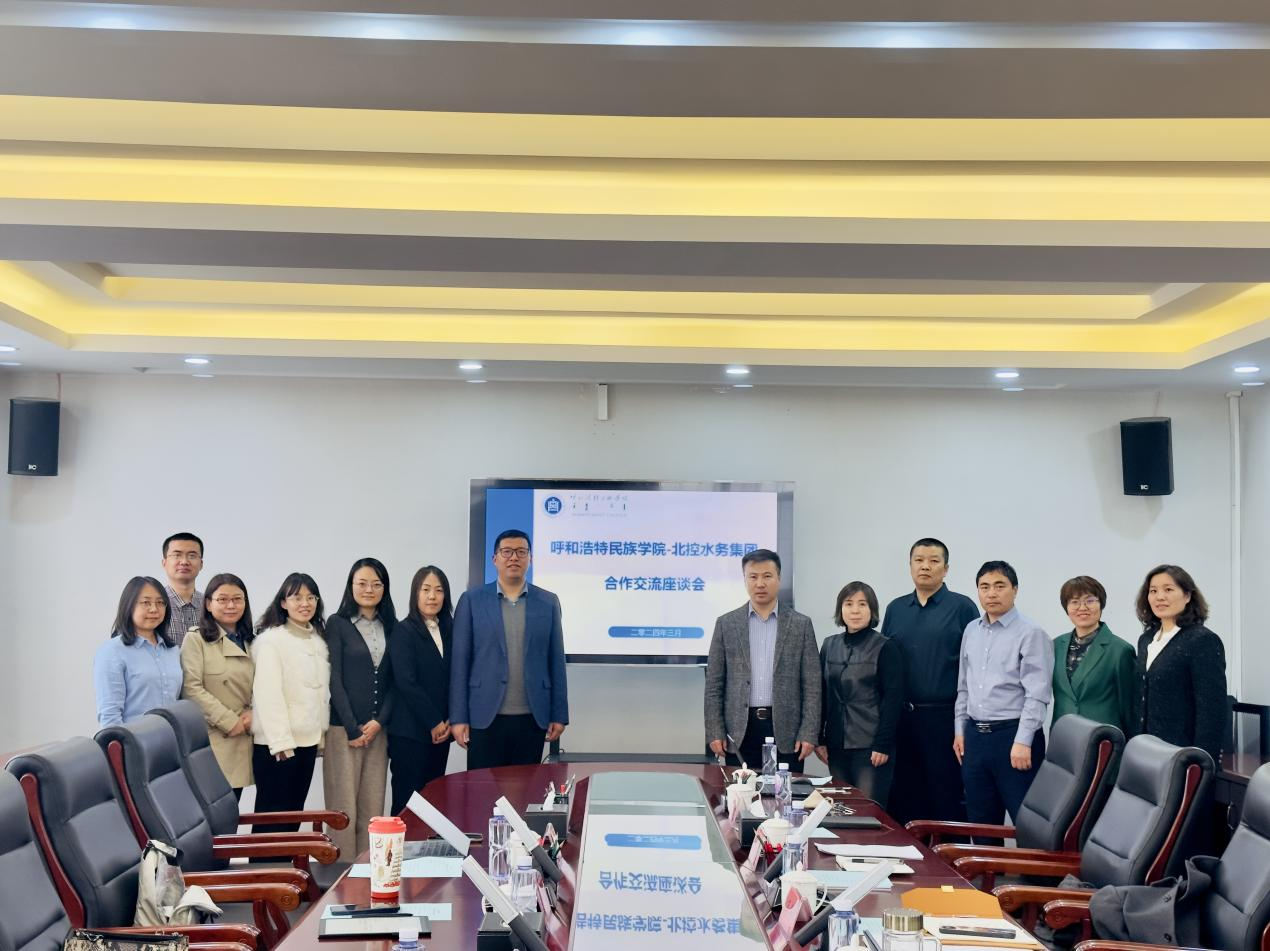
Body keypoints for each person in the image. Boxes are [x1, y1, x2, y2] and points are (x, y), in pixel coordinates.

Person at [880, 538, 980, 824]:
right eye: (919, 560)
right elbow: (886, 665)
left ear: (946, 569)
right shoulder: (896, 608)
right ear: (910, 566)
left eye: (934, 561)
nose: (925, 566)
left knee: (945, 796)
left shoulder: (962, 607)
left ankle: (947, 852)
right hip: (902, 718)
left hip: (944, 719)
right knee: (904, 798)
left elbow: (975, 667)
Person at [450, 530, 569, 769]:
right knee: (482, 788)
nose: (514, 557)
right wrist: (458, 717)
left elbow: (556, 661)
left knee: (526, 787)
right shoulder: (472, 600)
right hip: (484, 715)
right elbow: (460, 663)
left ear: (530, 559)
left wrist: (559, 714)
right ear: (495, 559)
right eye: (507, 552)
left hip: (532, 716)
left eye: (521, 552)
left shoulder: (548, 602)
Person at [954, 561, 1054, 831]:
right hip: (975, 737)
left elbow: (1037, 693)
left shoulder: (1031, 633)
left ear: (1015, 590)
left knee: (1026, 822)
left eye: (1000, 586)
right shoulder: (971, 630)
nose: (991, 593)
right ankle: (985, 861)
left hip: (1013, 737)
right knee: (980, 820)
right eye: (984, 587)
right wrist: (960, 730)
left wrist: (1023, 740)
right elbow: (963, 686)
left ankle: (1034, 866)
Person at [705, 548, 821, 770]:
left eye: (767, 576)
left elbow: (812, 685)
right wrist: (714, 730)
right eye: (753, 577)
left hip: (787, 731)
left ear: (779, 578)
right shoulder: (726, 624)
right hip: (739, 731)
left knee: (784, 791)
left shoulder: (801, 625)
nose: (760, 583)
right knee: (742, 791)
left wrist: (809, 732)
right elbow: (714, 684)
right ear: (745, 580)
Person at [324, 558, 396, 856]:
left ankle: (369, 872)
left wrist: (379, 722)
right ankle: (340, 876)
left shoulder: (392, 626)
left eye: (376, 584)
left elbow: (395, 681)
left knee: (372, 808)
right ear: (351, 586)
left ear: (384, 588)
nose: (369, 589)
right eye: (362, 583)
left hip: (378, 731)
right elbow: (335, 679)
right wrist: (353, 728)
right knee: (343, 811)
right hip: (344, 730)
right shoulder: (337, 624)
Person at [251, 573, 330, 835]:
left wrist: (319, 736)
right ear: (283, 603)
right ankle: (263, 863)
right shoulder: (272, 641)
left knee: (293, 817)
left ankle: (286, 863)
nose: (305, 603)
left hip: (306, 743)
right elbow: (268, 696)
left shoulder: (317, 641)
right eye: (297, 597)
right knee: (272, 820)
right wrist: (281, 743)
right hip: (278, 747)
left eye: (311, 597)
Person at [815, 582, 903, 805]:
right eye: (849, 604)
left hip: (871, 746)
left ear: (872, 609)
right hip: (836, 745)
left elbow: (893, 699)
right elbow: (821, 694)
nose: (855, 610)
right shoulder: (829, 645)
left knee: (867, 810)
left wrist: (883, 744)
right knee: (840, 808)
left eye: (862, 604)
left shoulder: (885, 646)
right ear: (840, 609)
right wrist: (820, 739)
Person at [1134, 565, 1227, 763]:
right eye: (1153, 591)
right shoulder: (1146, 640)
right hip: (1146, 751)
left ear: (1187, 596)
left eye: (1168, 589)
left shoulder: (1202, 640)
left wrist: (1201, 762)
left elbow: (1212, 710)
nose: (1160, 597)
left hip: (1181, 755)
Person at [180, 572, 255, 796]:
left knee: (234, 810)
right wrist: (229, 721)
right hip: (215, 739)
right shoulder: (196, 639)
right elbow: (190, 688)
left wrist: (255, 713)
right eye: (222, 599)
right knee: (212, 810)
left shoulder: (252, 641)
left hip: (247, 738)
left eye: (237, 599)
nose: (231, 605)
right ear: (208, 604)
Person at [387, 565, 453, 814]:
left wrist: (449, 719)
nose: (432, 596)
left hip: (442, 733)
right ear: (415, 593)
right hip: (410, 733)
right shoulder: (403, 630)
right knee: (407, 803)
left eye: (438, 590)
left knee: (434, 803)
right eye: (426, 590)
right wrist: (433, 721)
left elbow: (455, 678)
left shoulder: (450, 630)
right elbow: (406, 682)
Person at [1051, 575, 1136, 736]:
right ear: (1066, 607)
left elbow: (1129, 708)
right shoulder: (1055, 646)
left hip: (1103, 739)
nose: (1082, 607)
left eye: (1090, 601)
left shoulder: (1120, 650)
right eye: (1074, 602)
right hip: (1063, 736)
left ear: (1101, 604)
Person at [94, 576, 183, 726]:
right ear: (129, 606)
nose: (154, 609)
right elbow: (110, 715)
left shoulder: (172, 650)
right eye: (146, 602)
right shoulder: (112, 652)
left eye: (160, 603)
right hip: (134, 738)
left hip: (173, 738)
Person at [160, 532, 204, 646]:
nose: (184, 562)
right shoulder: (153, 605)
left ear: (201, 564)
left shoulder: (211, 605)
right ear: (164, 563)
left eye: (192, 556)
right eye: (177, 555)